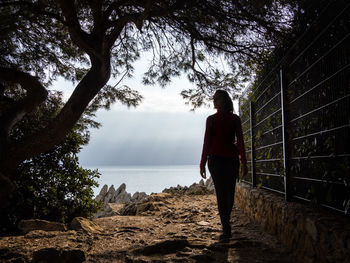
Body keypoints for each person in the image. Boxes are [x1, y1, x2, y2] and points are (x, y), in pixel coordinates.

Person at [200, 89, 248, 239]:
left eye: (217, 99)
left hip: (232, 160)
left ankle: (226, 222)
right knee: (221, 194)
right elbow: (206, 142)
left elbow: (240, 141)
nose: (214, 101)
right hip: (215, 160)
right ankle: (226, 228)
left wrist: (244, 162)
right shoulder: (210, 120)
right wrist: (202, 163)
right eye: (214, 99)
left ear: (225, 101)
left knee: (230, 195)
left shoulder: (235, 119)